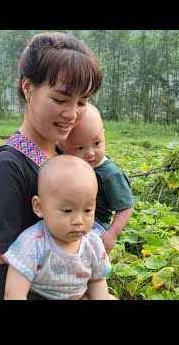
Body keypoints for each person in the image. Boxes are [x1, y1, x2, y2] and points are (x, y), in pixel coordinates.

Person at [0, 32, 103, 300]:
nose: (72, 113)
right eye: (60, 100)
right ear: (28, 88)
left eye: (83, 102)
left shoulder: (62, 155)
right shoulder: (6, 170)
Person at [2, 155, 113, 300]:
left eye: (87, 210)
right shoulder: (32, 243)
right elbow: (14, 294)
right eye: (67, 210)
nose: (79, 221)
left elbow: (97, 281)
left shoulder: (93, 243)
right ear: (39, 207)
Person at [59, 104, 135, 254]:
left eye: (96, 144)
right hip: (69, 216)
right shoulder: (66, 161)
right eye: (80, 148)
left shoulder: (110, 174)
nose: (90, 153)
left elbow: (126, 206)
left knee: (81, 253)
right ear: (62, 145)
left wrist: (112, 233)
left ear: (103, 135)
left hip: (95, 225)